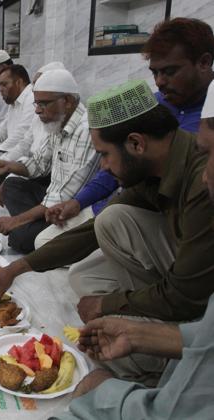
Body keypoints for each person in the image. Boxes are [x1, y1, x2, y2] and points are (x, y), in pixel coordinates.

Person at [0, 79, 214, 385]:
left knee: (112, 220)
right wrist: (17, 268)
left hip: (196, 298)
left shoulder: (202, 182)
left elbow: (186, 296)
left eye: (104, 154)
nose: (102, 167)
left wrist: (108, 305)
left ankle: (154, 357)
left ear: (136, 144)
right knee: (83, 273)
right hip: (178, 269)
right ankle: (143, 327)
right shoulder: (152, 165)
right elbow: (90, 232)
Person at [51, 80, 214, 420]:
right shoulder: (154, 169)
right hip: (179, 289)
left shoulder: (197, 186)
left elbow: (175, 408)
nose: (206, 173)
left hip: (184, 293)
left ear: (137, 143)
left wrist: (101, 392)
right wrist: (138, 333)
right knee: (89, 255)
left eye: (211, 154)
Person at [37, 18, 214, 248]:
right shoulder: (152, 103)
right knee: (45, 242)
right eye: (155, 72)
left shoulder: (209, 119)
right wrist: (78, 202)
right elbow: (115, 159)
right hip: (119, 205)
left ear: (204, 62)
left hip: (174, 220)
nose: (159, 81)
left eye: (169, 71)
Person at [0, 69, 97, 254]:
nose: (37, 110)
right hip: (52, 200)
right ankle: (33, 222)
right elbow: (39, 164)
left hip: (73, 209)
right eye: (36, 103)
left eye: (43, 104)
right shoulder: (59, 121)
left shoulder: (85, 131)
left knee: (21, 239)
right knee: (11, 184)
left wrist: (17, 220)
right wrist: (7, 165)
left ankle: (30, 226)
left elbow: (66, 196)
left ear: (66, 101)